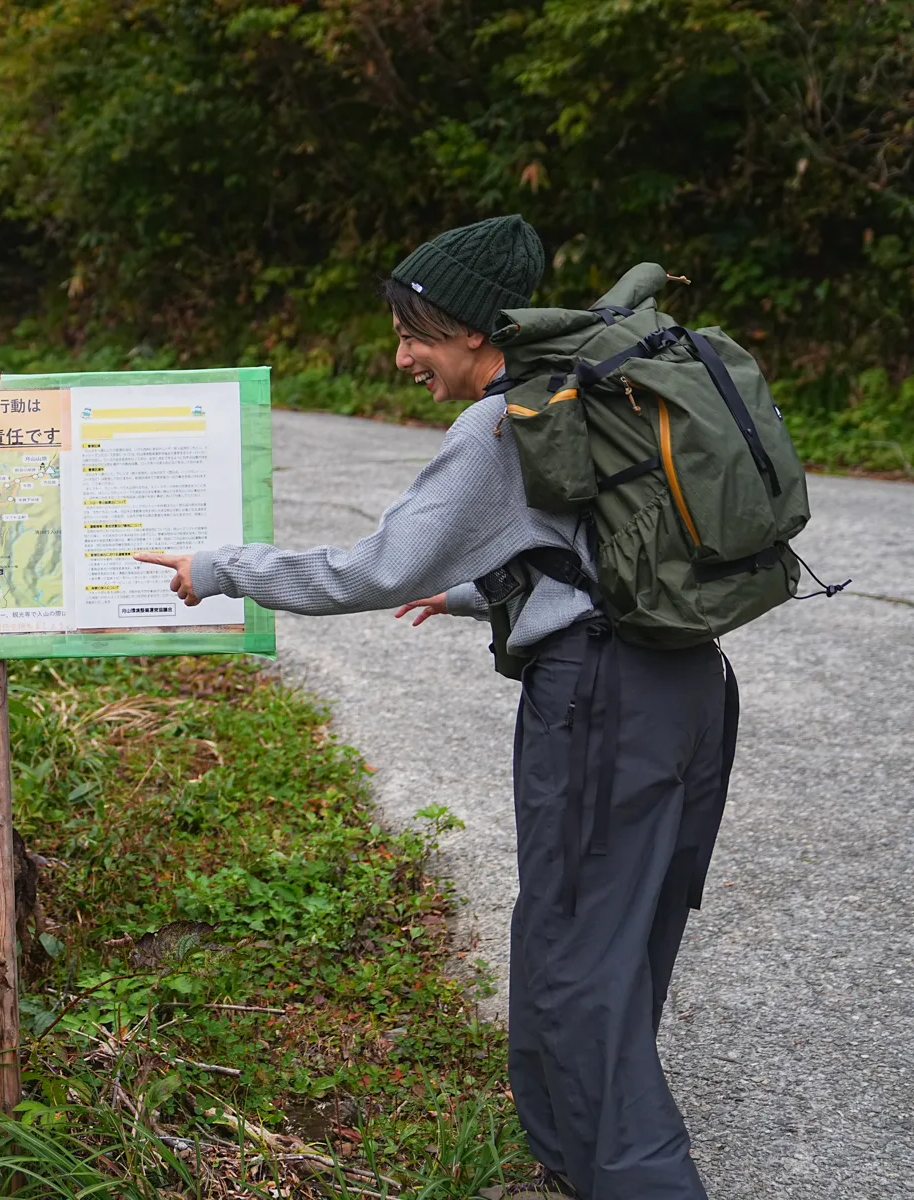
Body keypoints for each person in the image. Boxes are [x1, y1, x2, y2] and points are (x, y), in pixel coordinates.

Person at [136, 214, 726, 1200]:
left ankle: (637, 1180)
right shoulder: (581, 394)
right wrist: (469, 593)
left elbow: (374, 565)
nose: (402, 355)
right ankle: (569, 1168)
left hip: (601, 700)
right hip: (679, 682)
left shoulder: (501, 423)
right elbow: (582, 545)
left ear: (469, 330)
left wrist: (223, 567)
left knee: (581, 961)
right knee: (590, 935)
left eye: (414, 332)